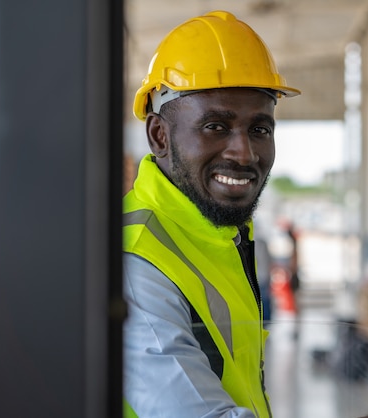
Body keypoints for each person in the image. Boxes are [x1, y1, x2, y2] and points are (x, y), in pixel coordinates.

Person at [122, 10, 300, 418]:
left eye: (260, 129)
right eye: (215, 126)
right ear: (158, 135)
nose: (245, 153)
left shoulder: (223, 234)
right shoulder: (137, 260)